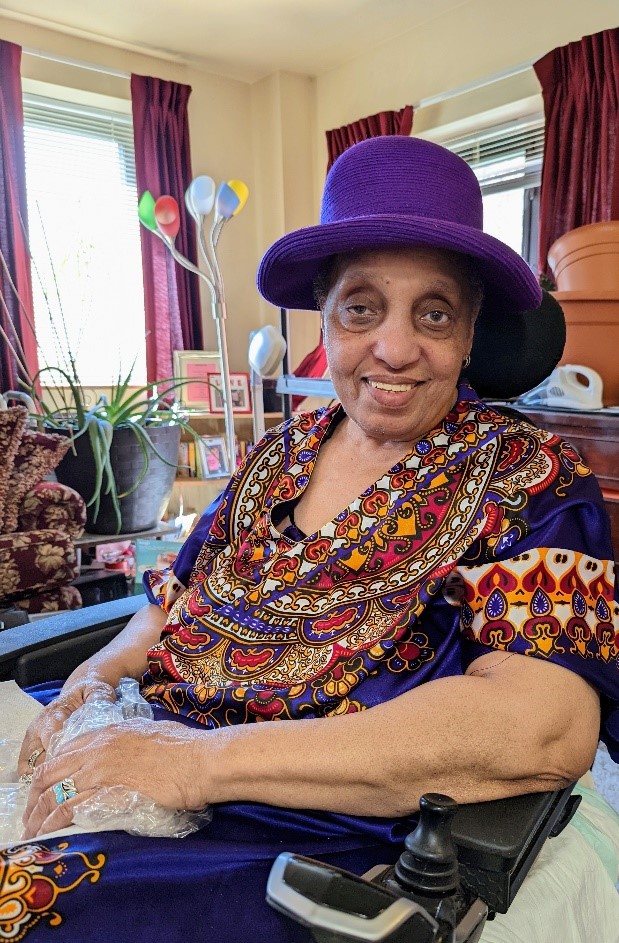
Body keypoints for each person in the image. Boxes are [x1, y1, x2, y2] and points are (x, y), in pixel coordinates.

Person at [9, 136, 619, 942]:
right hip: (132, 755)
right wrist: (94, 677)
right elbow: (165, 611)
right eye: (361, 308)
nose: (394, 348)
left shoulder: (533, 479)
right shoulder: (277, 454)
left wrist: (193, 763)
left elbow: (542, 727)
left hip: (291, 834)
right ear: (324, 319)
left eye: (433, 313)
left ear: (471, 333)